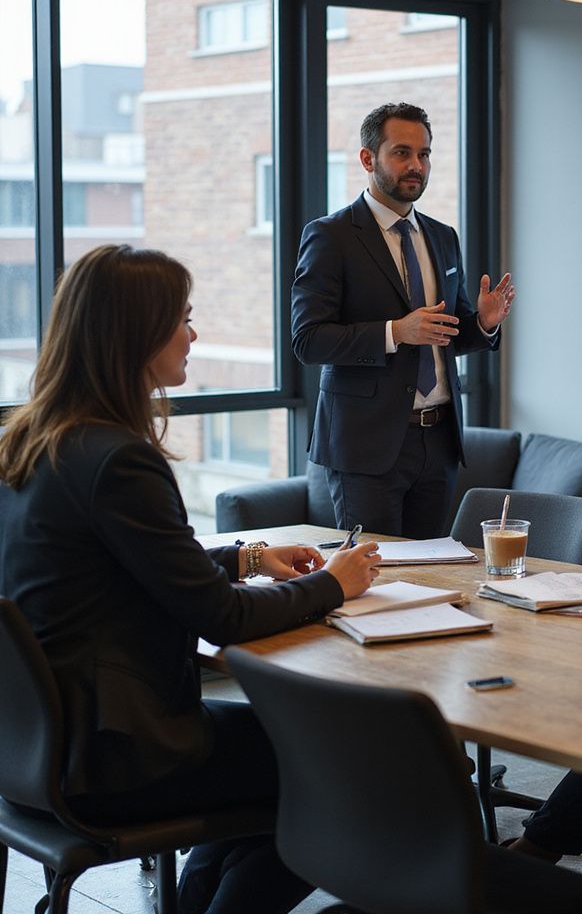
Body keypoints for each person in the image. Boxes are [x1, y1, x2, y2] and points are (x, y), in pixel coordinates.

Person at [0, 244, 382, 914]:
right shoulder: (120, 460)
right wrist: (335, 584)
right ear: (134, 334)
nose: (193, 333)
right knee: (346, 768)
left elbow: (115, 570)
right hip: (118, 754)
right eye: (183, 318)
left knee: (283, 754)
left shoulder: (38, 441)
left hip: (39, 747)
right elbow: (221, 619)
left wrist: (247, 559)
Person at [291, 102, 514, 539]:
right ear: (367, 158)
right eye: (402, 153)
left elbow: (446, 334)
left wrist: (483, 324)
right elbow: (308, 340)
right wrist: (396, 332)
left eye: (425, 154)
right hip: (366, 447)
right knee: (379, 582)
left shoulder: (443, 237)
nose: (416, 165)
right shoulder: (330, 236)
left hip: (439, 442)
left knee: (432, 576)